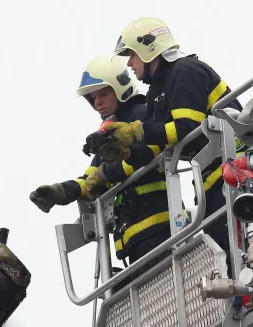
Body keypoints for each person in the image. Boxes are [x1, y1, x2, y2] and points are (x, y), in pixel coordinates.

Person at [93, 17, 244, 279]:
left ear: (148, 49)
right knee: (224, 251)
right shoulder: (158, 91)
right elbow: (157, 145)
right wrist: (123, 150)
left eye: (132, 55)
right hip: (213, 178)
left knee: (237, 249)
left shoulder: (185, 72)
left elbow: (187, 127)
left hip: (235, 171)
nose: (129, 63)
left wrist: (137, 131)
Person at [29, 55, 174, 291]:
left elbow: (145, 155)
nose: (97, 103)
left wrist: (106, 174)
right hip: (133, 238)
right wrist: (61, 192)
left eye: (103, 94)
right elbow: (91, 180)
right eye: (92, 98)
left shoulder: (144, 115)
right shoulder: (109, 134)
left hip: (158, 230)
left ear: (120, 89)